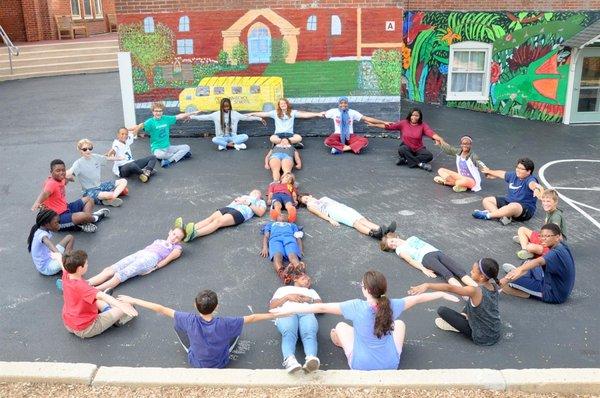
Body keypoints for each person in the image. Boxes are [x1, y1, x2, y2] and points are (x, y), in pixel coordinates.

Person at [269, 270, 459, 370]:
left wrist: (292, 307)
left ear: (366, 289)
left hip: (361, 364)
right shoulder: (393, 305)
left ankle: (342, 342)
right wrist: (441, 294)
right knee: (399, 324)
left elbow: (320, 307)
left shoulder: (355, 307)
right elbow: (418, 299)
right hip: (390, 364)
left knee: (341, 327)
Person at [117, 290, 276, 368]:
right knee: (237, 329)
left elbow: (160, 308)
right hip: (220, 363)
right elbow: (254, 317)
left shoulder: (188, 319)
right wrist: (279, 314)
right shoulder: (225, 322)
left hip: (197, 362)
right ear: (217, 307)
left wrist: (133, 299)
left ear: (195, 305)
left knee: (177, 325)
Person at [408, 258, 502, 346]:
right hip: (495, 331)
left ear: (481, 277)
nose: (470, 272)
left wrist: (427, 285)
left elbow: (449, 287)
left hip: (482, 337)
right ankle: (464, 317)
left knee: (442, 310)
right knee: (472, 301)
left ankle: (457, 326)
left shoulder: (474, 291)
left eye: (473, 271)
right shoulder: (494, 286)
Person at [59, 250, 138, 338]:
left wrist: (57, 256)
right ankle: (114, 317)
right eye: (86, 264)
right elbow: (102, 296)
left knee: (93, 296)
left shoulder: (66, 274)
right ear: (79, 268)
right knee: (128, 305)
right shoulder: (83, 287)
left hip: (69, 324)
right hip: (86, 329)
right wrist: (122, 306)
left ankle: (107, 309)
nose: (87, 265)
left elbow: (61, 262)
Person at [87, 228, 185, 292]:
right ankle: (86, 283)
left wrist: (154, 268)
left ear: (180, 241)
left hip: (150, 259)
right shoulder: (159, 240)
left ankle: (93, 290)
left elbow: (167, 260)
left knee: (120, 274)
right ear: (170, 232)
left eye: (178, 238)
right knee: (111, 269)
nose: (174, 238)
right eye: (174, 234)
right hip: (140, 253)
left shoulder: (176, 248)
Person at [500, 223, 575, 304]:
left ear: (557, 237)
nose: (543, 239)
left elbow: (538, 261)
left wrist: (519, 270)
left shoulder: (554, 254)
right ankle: (520, 276)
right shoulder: (562, 246)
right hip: (557, 284)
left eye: (547, 236)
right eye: (541, 236)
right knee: (527, 263)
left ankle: (528, 293)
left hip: (553, 293)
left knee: (506, 285)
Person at [31, 159, 108, 233]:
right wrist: (37, 203)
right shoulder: (51, 183)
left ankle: (86, 220)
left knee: (89, 199)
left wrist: (68, 179)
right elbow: (45, 193)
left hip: (66, 208)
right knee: (83, 216)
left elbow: (63, 182)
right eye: (58, 171)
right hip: (57, 218)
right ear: (51, 172)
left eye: (63, 170)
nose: (61, 172)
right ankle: (95, 218)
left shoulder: (60, 179)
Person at [270, 265, 321, 373]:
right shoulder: (283, 289)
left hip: (306, 312)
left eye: (309, 279)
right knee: (289, 332)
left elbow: (321, 307)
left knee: (309, 332)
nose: (308, 280)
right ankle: (289, 360)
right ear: (295, 279)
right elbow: (272, 306)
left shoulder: (311, 292)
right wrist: (287, 297)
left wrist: (309, 299)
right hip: (287, 312)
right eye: (304, 278)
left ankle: (311, 359)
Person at [380, 232, 478, 287]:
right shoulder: (399, 250)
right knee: (447, 274)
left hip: (437, 252)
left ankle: (477, 289)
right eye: (391, 246)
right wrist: (423, 269)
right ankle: (465, 294)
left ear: (396, 236)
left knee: (459, 271)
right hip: (426, 258)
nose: (393, 244)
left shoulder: (411, 238)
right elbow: (410, 260)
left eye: (392, 241)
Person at [366, 108, 445, 171]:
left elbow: (430, 132)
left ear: (420, 117)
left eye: (417, 115)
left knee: (429, 156)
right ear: (410, 116)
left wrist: (439, 138)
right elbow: (389, 127)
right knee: (402, 149)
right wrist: (374, 124)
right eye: (413, 115)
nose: (414, 117)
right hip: (407, 148)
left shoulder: (423, 125)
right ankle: (420, 164)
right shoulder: (404, 123)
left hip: (418, 148)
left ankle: (406, 161)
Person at [473, 157, 543, 225]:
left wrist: (536, 189)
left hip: (524, 209)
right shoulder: (513, 175)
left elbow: (533, 184)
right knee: (487, 200)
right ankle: (502, 217)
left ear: (528, 171)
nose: (517, 170)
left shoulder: (530, 179)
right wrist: (489, 171)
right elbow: (501, 173)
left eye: (521, 169)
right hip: (509, 202)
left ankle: (488, 215)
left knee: (513, 206)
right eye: (517, 167)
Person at [176, 189, 267, 243]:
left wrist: (248, 203)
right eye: (253, 191)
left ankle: (195, 234)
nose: (255, 192)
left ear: (260, 196)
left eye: (257, 192)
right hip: (229, 207)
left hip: (241, 212)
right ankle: (186, 232)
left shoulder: (260, 202)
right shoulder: (245, 195)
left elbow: (260, 212)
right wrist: (238, 200)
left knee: (218, 222)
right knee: (210, 219)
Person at [129, 101, 197, 168]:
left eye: (160, 111)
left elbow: (179, 116)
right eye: (156, 111)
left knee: (186, 147)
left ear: (162, 111)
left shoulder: (166, 118)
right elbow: (138, 126)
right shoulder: (150, 122)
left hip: (168, 147)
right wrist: (126, 129)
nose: (158, 113)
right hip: (157, 149)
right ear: (152, 112)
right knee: (159, 155)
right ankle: (179, 156)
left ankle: (169, 160)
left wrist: (192, 113)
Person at [298, 193, 396, 239]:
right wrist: (330, 220)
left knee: (361, 219)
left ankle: (382, 229)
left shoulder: (323, 197)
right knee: (354, 222)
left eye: (306, 198)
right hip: (333, 212)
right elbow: (320, 214)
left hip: (341, 207)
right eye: (305, 201)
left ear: (310, 195)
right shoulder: (310, 206)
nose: (307, 201)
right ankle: (373, 233)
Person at [67, 138, 128, 207]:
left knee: (123, 181)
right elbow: (70, 172)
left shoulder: (95, 157)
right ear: (80, 151)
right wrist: (61, 175)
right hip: (89, 191)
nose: (88, 151)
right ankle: (109, 197)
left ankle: (110, 199)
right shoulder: (78, 163)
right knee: (109, 194)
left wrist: (119, 158)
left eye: (90, 148)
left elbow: (107, 158)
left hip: (100, 185)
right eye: (85, 149)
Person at [191, 97, 266, 151]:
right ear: (221, 106)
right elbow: (203, 117)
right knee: (214, 139)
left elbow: (247, 118)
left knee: (245, 136)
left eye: (228, 106)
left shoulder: (235, 114)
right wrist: (191, 117)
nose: (226, 108)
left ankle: (228, 144)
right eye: (224, 107)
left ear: (230, 105)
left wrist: (260, 118)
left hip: (233, 137)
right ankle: (231, 145)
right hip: (221, 137)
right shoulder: (216, 114)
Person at [247, 98, 324, 148]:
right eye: (281, 104)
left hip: (289, 134)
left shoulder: (293, 112)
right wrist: (251, 113)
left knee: (298, 138)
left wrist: (317, 114)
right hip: (278, 134)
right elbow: (263, 114)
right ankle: (290, 144)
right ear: (279, 106)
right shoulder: (274, 113)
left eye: (284, 103)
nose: (283, 105)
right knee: (272, 138)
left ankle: (280, 144)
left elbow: (305, 115)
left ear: (287, 104)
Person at [513, 189, 567, 260]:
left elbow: (557, 237)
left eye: (548, 201)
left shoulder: (556, 217)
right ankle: (525, 248)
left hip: (552, 247)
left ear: (555, 202)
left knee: (530, 247)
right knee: (521, 229)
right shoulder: (550, 210)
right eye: (543, 201)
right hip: (545, 238)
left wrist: (542, 241)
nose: (545, 203)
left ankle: (527, 245)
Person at [323, 97, 387, 155]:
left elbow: (366, 118)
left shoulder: (352, 112)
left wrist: (384, 122)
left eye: (345, 103)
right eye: (341, 103)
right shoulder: (334, 111)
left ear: (347, 104)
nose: (343, 105)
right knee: (328, 141)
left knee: (364, 141)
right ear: (338, 104)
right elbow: (320, 114)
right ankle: (353, 147)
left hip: (350, 135)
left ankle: (340, 148)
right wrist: (313, 114)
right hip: (337, 134)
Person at [27, 209, 74, 276]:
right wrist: (63, 258)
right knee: (70, 261)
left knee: (69, 237)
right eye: (56, 223)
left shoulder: (41, 229)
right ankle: (66, 271)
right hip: (46, 267)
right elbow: (50, 245)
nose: (58, 224)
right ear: (47, 224)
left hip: (49, 256)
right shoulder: (42, 236)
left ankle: (66, 264)